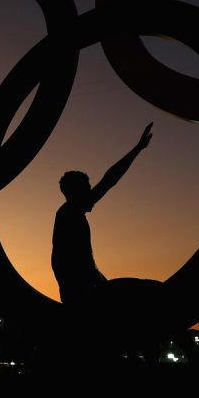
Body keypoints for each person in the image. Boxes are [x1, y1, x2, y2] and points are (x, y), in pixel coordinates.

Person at [51, 123, 153, 306]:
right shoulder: (69, 214)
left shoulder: (69, 214)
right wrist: (137, 149)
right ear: (76, 192)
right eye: (87, 189)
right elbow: (108, 181)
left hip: (89, 285)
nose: (92, 193)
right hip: (84, 292)